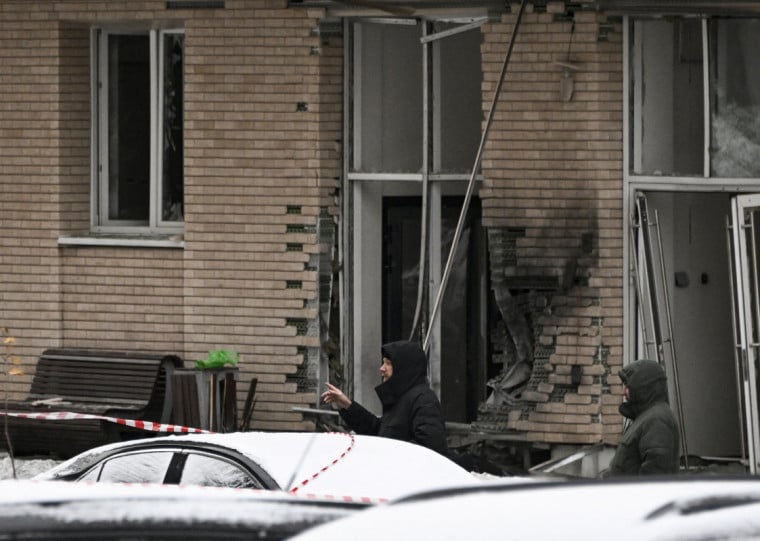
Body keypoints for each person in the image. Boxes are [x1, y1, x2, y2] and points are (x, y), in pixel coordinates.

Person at [321, 340, 449, 457]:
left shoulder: (423, 400)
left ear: (404, 368)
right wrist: (347, 404)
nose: (382, 368)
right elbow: (379, 431)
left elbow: (429, 450)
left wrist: (389, 457)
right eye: (383, 362)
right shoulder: (403, 397)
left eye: (388, 363)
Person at [607, 359, 680, 476]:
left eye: (627, 385)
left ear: (641, 387)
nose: (623, 392)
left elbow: (653, 480)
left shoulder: (656, 420)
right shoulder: (647, 417)